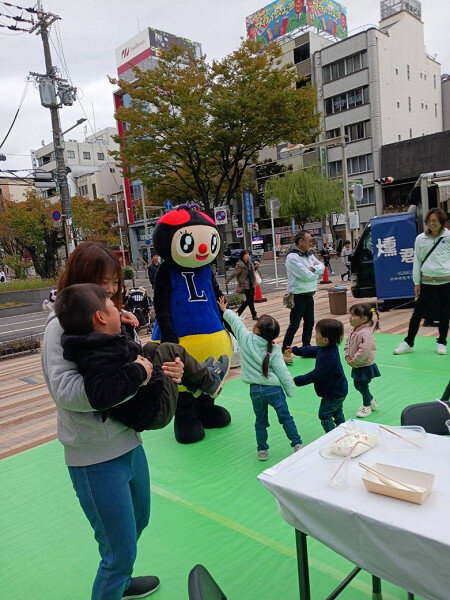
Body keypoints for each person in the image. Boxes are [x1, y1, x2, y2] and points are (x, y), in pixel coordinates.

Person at [41, 241, 184, 600]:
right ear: (82, 280)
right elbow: (67, 392)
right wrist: (133, 378)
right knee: (117, 550)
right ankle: (116, 574)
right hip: (93, 456)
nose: (112, 291)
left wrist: (166, 372)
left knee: (139, 521)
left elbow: (131, 364)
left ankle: (120, 579)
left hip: (129, 442)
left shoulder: (110, 320)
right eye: (103, 283)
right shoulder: (60, 328)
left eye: (115, 283)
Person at [55, 283, 230, 430]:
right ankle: (209, 381)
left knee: (153, 348)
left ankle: (196, 382)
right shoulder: (96, 356)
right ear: (100, 317)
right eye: (114, 308)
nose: (119, 312)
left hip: (146, 399)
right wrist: (138, 371)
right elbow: (100, 393)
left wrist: (124, 328)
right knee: (169, 350)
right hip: (154, 410)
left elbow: (123, 354)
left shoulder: (93, 344)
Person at [218, 296, 303, 461]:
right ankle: (297, 444)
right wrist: (290, 390)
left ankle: (262, 450)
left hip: (256, 390)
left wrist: (225, 310)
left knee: (260, 421)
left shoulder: (246, 339)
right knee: (285, 418)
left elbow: (236, 323)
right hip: (275, 390)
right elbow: (282, 372)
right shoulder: (274, 349)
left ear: (256, 330)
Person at [394, 208, 449, 356]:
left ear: (442, 222)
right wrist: (416, 282)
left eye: (435, 221)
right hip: (427, 282)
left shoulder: (448, 237)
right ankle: (408, 342)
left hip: (445, 281)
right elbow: (417, 261)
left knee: (445, 313)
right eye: (429, 221)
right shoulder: (420, 239)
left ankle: (442, 342)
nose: (432, 224)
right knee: (417, 313)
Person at [292, 319, 348, 433]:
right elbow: (313, 350)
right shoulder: (326, 348)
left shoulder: (329, 357)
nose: (315, 336)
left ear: (325, 339)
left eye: (317, 334)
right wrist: (296, 351)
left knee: (324, 415)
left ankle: (332, 436)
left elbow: (317, 374)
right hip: (338, 390)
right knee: (337, 411)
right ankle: (344, 430)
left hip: (333, 393)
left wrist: (297, 380)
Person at [281, 231, 324, 365]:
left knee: (310, 323)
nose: (311, 243)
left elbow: (322, 266)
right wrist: (314, 272)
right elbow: (305, 275)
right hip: (298, 295)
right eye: (309, 241)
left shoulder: (309, 255)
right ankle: (285, 351)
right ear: (300, 242)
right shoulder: (292, 257)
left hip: (309, 294)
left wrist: (313, 270)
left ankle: (306, 349)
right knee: (294, 325)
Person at [345, 304, 381, 418]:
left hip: (364, 365)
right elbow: (347, 343)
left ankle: (367, 407)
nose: (350, 317)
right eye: (350, 314)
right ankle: (371, 400)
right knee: (358, 385)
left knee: (362, 386)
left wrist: (354, 360)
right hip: (356, 364)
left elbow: (364, 351)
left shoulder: (365, 333)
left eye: (354, 315)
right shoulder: (353, 330)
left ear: (364, 319)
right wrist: (347, 355)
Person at [225, 249, 260, 321]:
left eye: (248, 254)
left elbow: (253, 271)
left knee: (250, 300)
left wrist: (256, 266)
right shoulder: (239, 265)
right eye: (246, 254)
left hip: (251, 283)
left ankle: (239, 312)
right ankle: (254, 315)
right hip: (245, 285)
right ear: (242, 256)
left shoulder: (249, 263)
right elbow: (233, 273)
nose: (247, 256)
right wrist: (227, 281)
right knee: (250, 299)